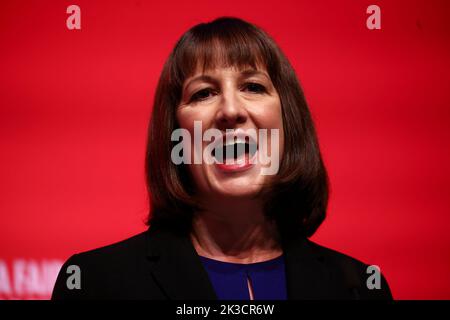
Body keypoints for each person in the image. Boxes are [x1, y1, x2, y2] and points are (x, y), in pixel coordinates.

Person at [52, 16, 393, 300]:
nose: (230, 110)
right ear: (176, 135)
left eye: (253, 86)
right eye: (204, 93)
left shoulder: (361, 288)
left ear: (288, 119)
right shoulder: (96, 283)